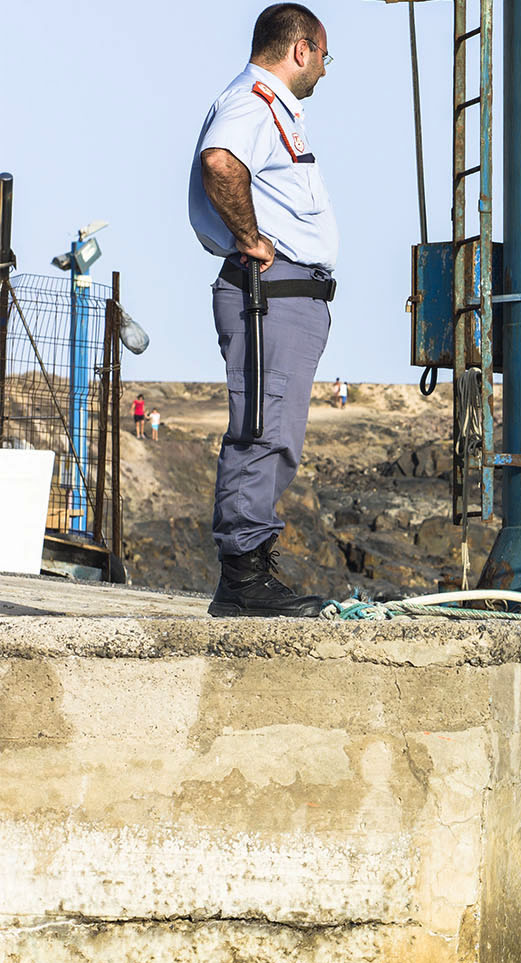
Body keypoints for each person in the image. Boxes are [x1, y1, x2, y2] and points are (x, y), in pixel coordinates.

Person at [188, 3, 335, 618]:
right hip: (267, 296)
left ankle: (251, 570)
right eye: (325, 56)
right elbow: (221, 163)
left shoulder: (273, 108)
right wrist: (250, 239)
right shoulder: (253, 100)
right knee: (263, 430)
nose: (326, 70)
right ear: (300, 49)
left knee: (276, 432)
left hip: (284, 299)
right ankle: (245, 579)